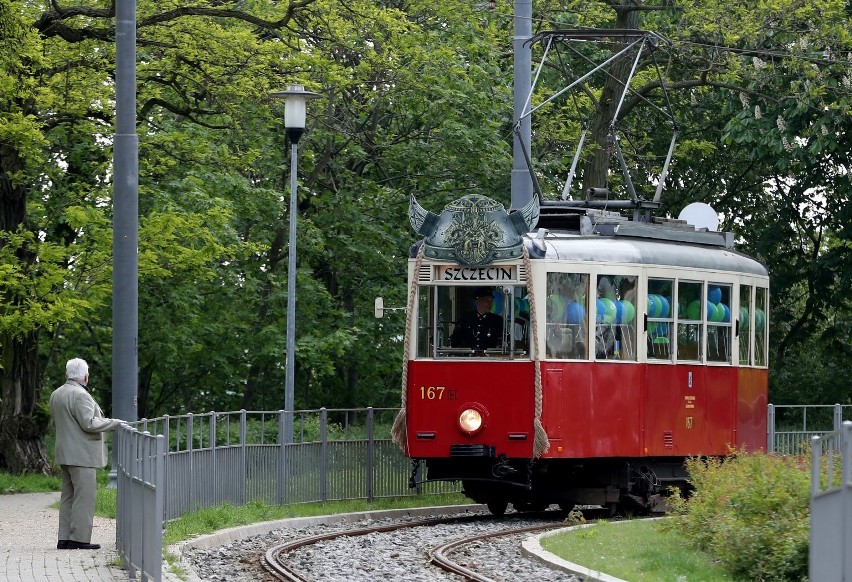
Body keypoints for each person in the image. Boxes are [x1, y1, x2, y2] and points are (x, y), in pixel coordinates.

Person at [49, 358, 124, 550]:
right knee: (84, 497)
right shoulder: (80, 395)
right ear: (85, 376)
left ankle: (64, 538)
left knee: (68, 496)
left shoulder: (56, 394)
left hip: (65, 453)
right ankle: (80, 539)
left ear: (67, 374)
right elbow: (89, 423)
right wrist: (116, 423)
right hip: (82, 455)